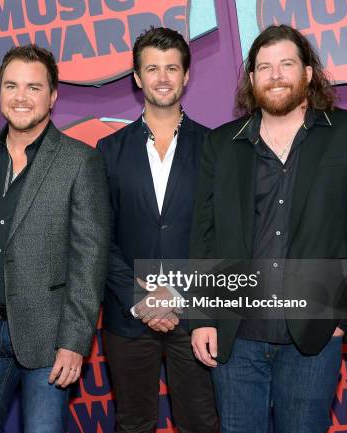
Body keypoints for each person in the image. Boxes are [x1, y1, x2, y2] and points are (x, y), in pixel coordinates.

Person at [189, 24, 347, 433]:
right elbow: (203, 236)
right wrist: (202, 316)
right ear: (252, 79)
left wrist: (341, 316)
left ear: (307, 73)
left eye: (286, 64)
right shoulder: (221, 144)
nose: (275, 75)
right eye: (264, 67)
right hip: (236, 336)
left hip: (313, 334)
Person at [0, 44, 109, 433]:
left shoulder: (80, 161)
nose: (20, 97)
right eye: (11, 86)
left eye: (33, 88)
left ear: (53, 96)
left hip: (49, 334)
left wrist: (75, 342)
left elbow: (89, 259)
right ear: (0, 92)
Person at [96, 27, 219, 433]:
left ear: (186, 76)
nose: (162, 77)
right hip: (129, 317)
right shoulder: (109, 151)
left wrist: (179, 296)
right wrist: (140, 296)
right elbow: (99, 237)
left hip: (197, 318)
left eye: (171, 68)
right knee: (133, 424)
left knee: (201, 423)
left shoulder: (217, 147)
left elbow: (224, 234)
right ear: (137, 77)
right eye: (152, 68)